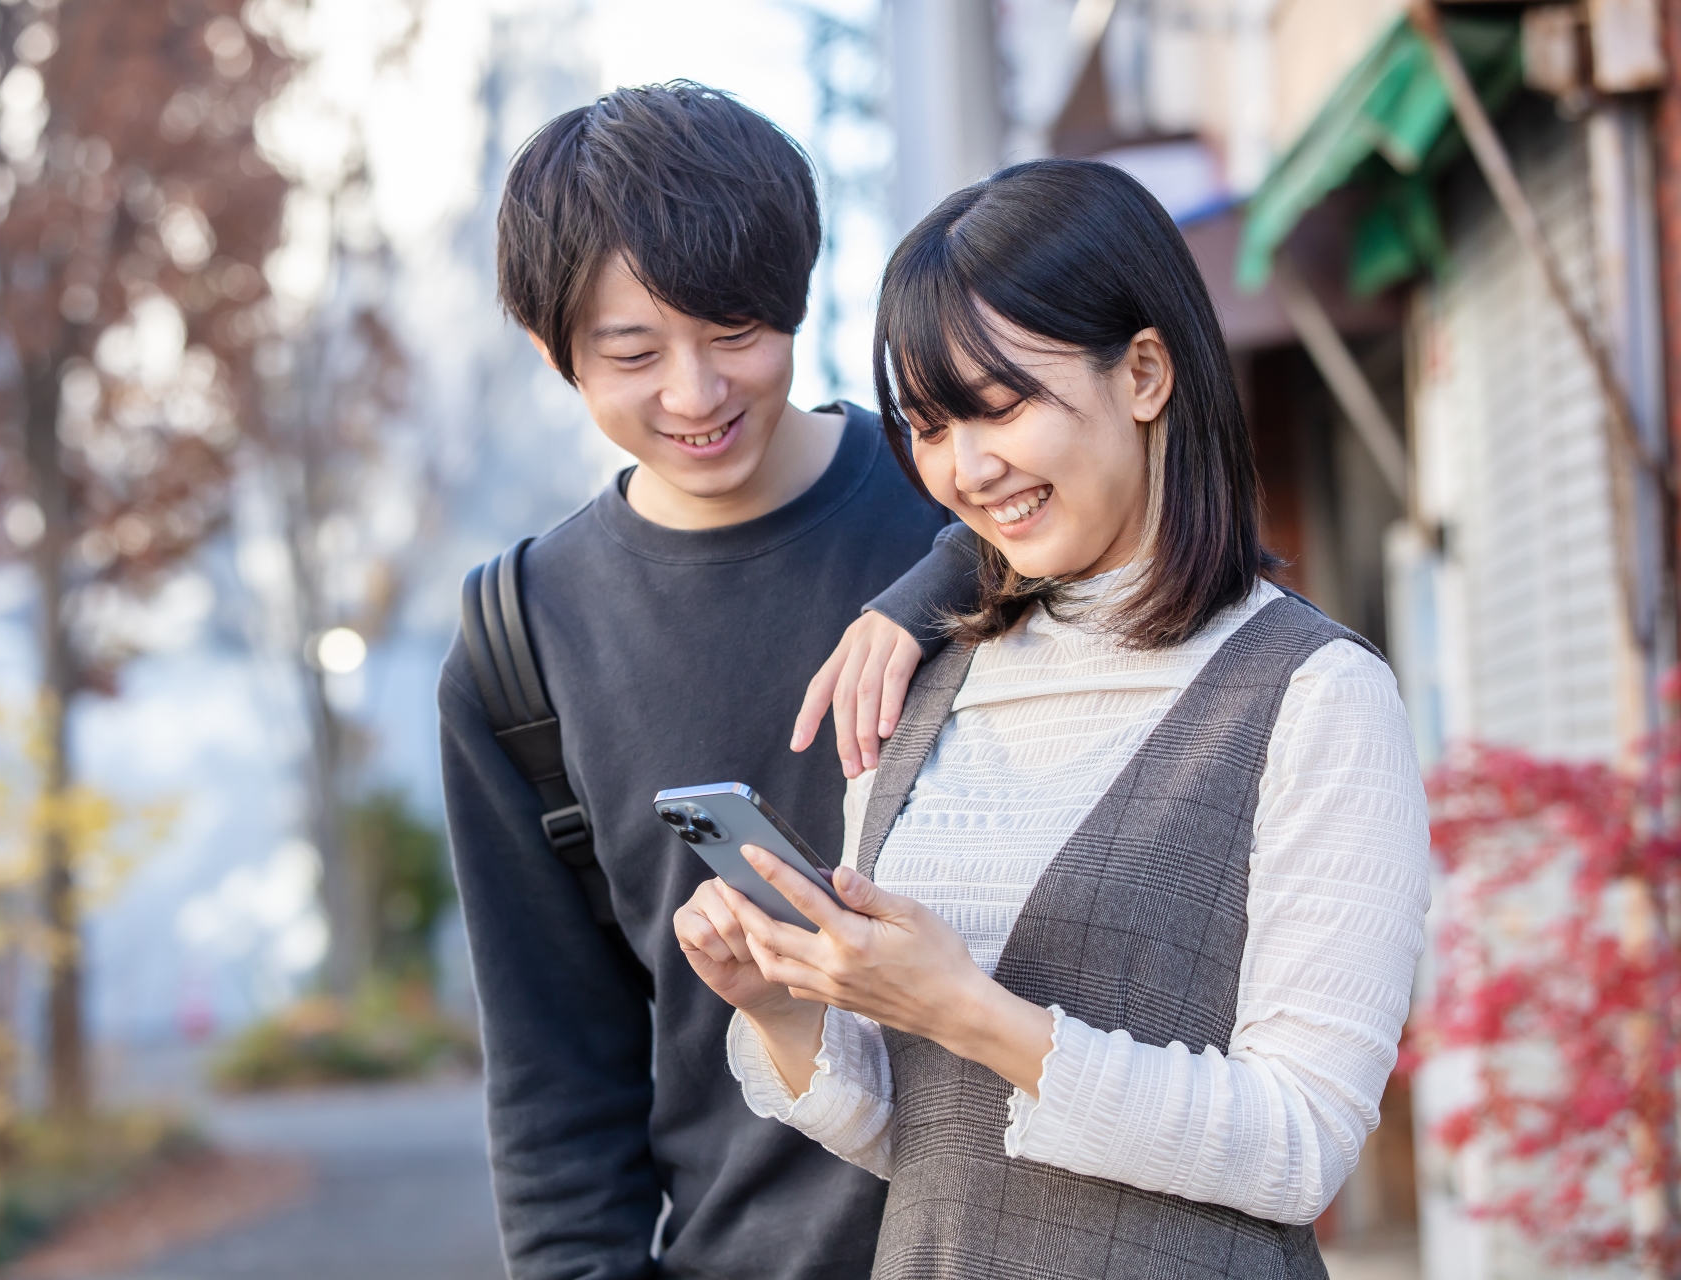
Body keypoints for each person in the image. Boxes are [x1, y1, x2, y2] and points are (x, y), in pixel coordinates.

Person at [675, 159, 1431, 1280]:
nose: (967, 468)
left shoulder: (1314, 693)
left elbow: (1300, 1143)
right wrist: (786, 1005)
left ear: (1143, 371)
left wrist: (972, 1010)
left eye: (1003, 404)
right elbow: (924, 1131)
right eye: (930, 426)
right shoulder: (930, 680)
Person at [439, 82, 978, 1279]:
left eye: (737, 332)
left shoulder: (973, 502)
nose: (696, 393)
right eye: (633, 352)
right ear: (552, 348)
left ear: (798, 295)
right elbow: (552, 1074)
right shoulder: (520, 643)